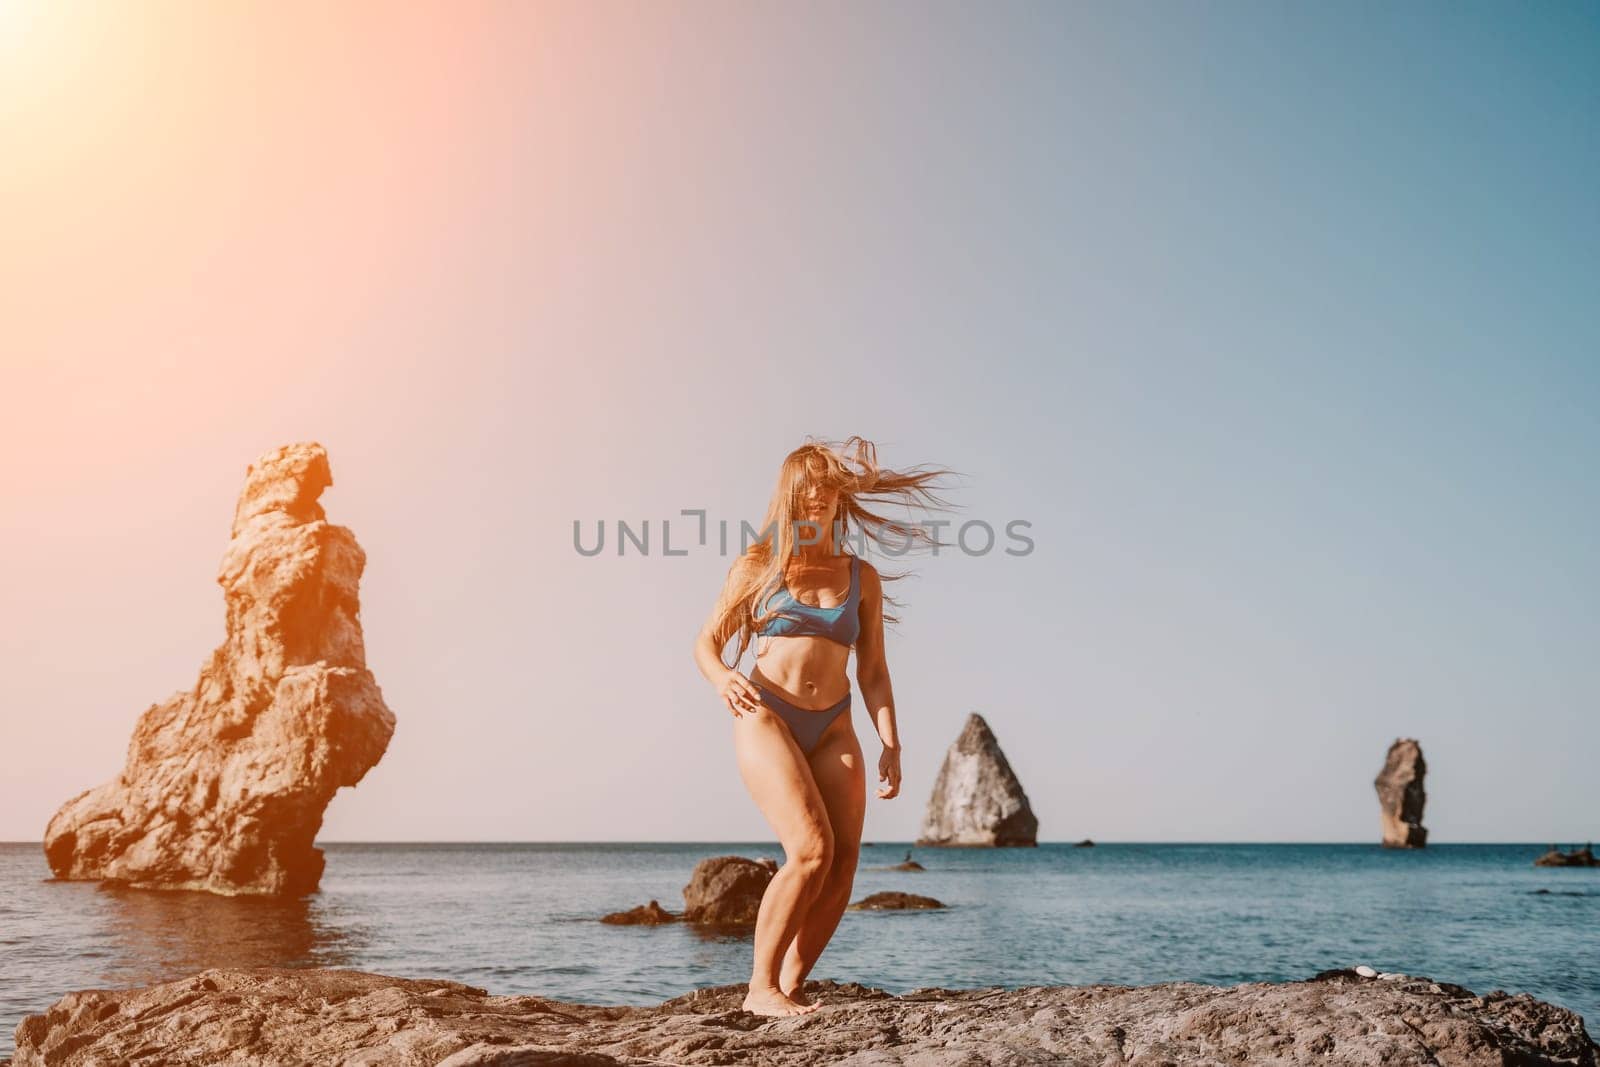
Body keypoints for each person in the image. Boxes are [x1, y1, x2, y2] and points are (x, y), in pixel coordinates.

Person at [691, 436, 954, 1016]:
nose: (817, 495)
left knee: (844, 858)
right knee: (810, 849)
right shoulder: (758, 565)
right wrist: (720, 680)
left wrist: (891, 741)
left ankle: (790, 984)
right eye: (806, 486)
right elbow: (706, 643)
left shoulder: (862, 576)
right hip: (765, 712)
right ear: (789, 495)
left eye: (827, 486)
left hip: (835, 723)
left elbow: (875, 670)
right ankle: (759, 989)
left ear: (839, 497)